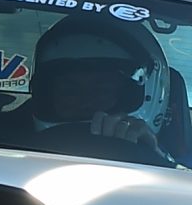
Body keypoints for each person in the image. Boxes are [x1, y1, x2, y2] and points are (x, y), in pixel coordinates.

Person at [10, 15, 174, 160]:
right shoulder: (4, 153)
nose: (85, 102)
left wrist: (154, 156)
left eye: (102, 90)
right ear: (46, 95)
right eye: (69, 91)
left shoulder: (185, 174)